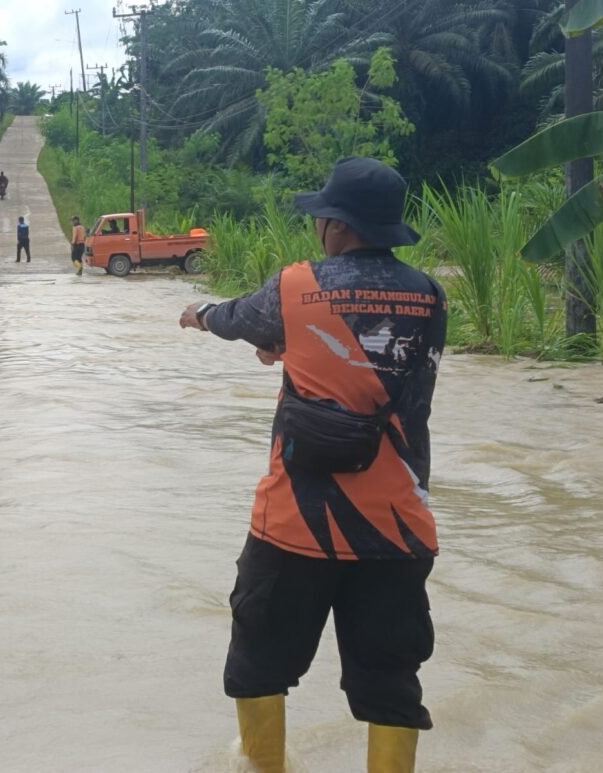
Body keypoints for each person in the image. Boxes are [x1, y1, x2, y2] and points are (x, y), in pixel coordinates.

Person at [179, 157, 447, 773]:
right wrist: (292, 346)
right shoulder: (431, 296)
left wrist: (202, 314)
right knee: (391, 689)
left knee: (256, 669)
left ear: (339, 228)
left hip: (295, 525)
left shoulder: (298, 285)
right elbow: (377, 366)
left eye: (323, 218)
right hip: (397, 529)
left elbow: (237, 319)